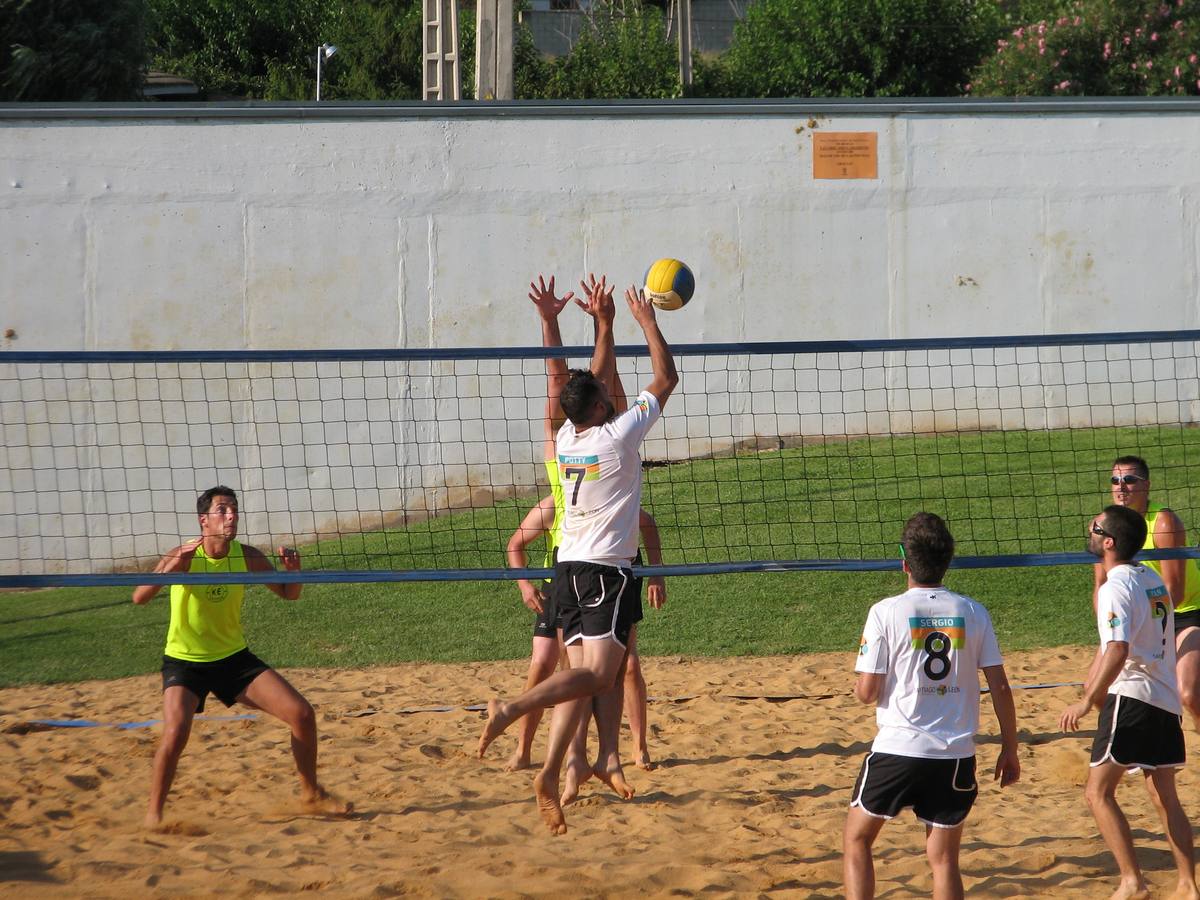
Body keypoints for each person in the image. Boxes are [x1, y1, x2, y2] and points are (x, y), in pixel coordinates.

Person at [477, 274, 678, 835]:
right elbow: (666, 377)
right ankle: (514, 709)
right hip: (607, 572)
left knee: (589, 676)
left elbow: (582, 379)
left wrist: (601, 324)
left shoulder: (567, 438)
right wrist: (645, 323)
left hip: (567, 568)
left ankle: (554, 772)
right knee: (598, 678)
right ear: (602, 407)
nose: (612, 393)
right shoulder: (617, 439)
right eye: (607, 395)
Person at [132, 486, 347, 829]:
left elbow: (289, 595)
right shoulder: (184, 557)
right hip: (185, 662)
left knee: (303, 714)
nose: (231, 515)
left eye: (233, 509)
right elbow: (140, 597)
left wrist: (294, 573)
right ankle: (153, 816)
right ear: (204, 520)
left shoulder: (247, 556)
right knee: (175, 733)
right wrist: (170, 564)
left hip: (233, 659)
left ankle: (311, 794)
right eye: (222, 510)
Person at [844, 512, 1020, 900]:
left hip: (898, 751)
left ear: (904, 561)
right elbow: (1001, 687)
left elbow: (867, 692)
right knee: (943, 860)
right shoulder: (973, 612)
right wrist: (1010, 747)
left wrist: (867, 683)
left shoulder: (884, 611)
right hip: (955, 755)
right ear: (948, 560)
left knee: (857, 840)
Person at [1062, 504, 1199, 900]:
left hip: (1132, 698)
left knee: (1098, 793)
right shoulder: (1151, 580)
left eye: (1095, 527)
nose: (1089, 528)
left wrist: (1088, 700)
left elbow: (1118, 649)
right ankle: (1188, 885)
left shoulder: (1115, 588)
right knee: (1164, 796)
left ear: (1108, 541)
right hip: (1164, 699)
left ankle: (1132, 882)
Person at [1095, 455, 1200, 731]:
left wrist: (1143, 629)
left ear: (1146, 486)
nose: (1121, 487)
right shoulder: (1105, 523)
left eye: (1130, 480)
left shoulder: (1164, 523)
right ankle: (1136, 756)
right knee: (1094, 689)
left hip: (1185, 614)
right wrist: (1108, 626)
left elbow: (1173, 591)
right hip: (1139, 617)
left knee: (1188, 694)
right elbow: (1100, 586)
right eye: (1115, 480)